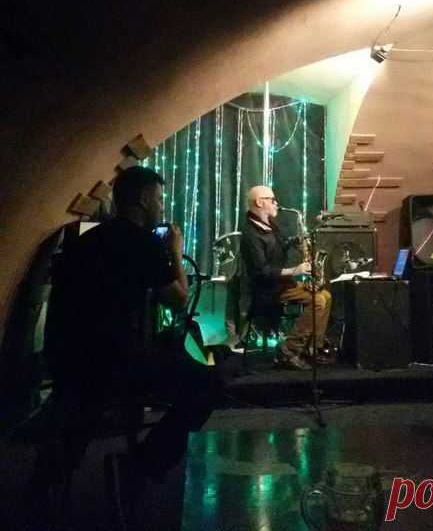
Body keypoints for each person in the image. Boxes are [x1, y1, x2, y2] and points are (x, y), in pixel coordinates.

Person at [43, 166, 222, 521]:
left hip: (66, 360)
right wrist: (175, 251)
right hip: (113, 364)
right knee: (207, 382)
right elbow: (179, 299)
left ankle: (48, 487)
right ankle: (143, 464)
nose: (162, 206)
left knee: (82, 407)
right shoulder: (144, 243)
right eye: (159, 198)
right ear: (142, 199)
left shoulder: (86, 241)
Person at [240, 185, 333, 371]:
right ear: (259, 202)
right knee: (318, 301)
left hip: (281, 285)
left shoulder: (269, 225)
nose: (277, 204)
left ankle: (312, 349)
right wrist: (294, 270)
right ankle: (289, 351)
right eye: (272, 200)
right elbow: (262, 271)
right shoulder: (251, 234)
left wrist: (297, 241)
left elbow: (280, 245)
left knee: (327, 296)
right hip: (267, 290)